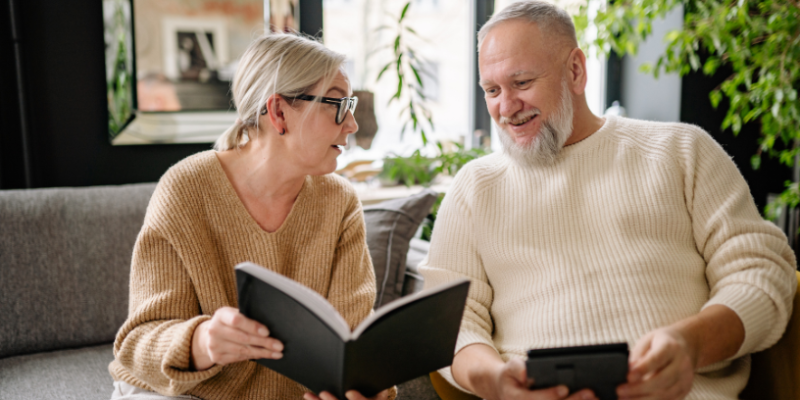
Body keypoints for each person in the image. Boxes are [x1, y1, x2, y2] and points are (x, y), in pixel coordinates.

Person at [419, 2, 797, 400]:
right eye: (492, 90)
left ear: (576, 71)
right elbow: (450, 322)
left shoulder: (682, 151)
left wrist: (692, 343)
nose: (505, 107)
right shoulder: (475, 187)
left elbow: (761, 273)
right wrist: (493, 380)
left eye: (523, 83)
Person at [109, 33, 393, 400]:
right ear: (278, 113)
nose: (352, 124)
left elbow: (353, 340)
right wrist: (203, 341)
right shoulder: (186, 190)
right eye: (337, 104)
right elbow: (137, 345)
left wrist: (365, 389)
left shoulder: (339, 202)